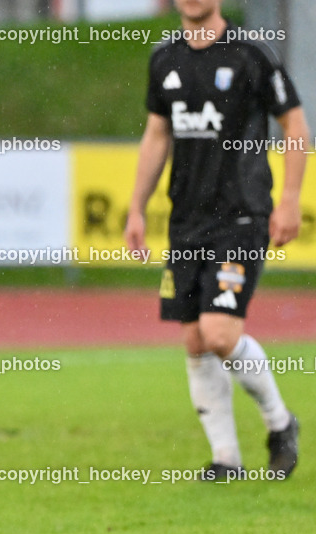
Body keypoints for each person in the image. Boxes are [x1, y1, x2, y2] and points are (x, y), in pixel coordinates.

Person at [125, 0, 306, 481]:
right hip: (186, 220)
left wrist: (289, 200)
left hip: (242, 216)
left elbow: (294, 125)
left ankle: (280, 423)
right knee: (194, 339)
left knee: (221, 332)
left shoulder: (251, 53)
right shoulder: (164, 58)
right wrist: (136, 207)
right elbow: (157, 135)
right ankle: (226, 459)